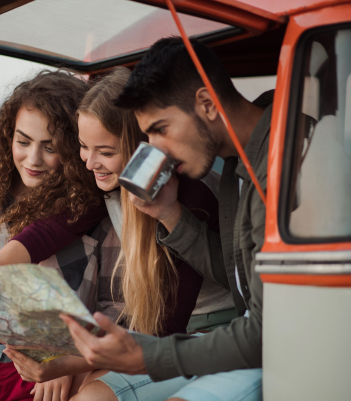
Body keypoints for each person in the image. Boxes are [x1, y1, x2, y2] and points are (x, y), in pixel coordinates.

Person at [61, 37, 271, 401]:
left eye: (160, 130)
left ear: (206, 103)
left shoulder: (278, 163)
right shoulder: (237, 168)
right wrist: (169, 213)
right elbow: (236, 278)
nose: (156, 150)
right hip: (241, 339)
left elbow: (265, 332)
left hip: (274, 347)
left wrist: (145, 356)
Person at [6, 66, 233, 399]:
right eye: (84, 146)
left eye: (105, 152)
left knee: (90, 394)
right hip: (152, 333)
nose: (89, 162)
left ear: (143, 147)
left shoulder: (189, 197)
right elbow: (53, 228)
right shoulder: (108, 181)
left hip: (204, 333)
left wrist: (64, 364)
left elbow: (168, 326)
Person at [0, 70, 122, 401]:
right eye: (23, 141)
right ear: (7, 136)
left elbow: (114, 309)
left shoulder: (95, 213)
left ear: (75, 148)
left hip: (44, 383)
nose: (33, 159)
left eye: (50, 146)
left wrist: (68, 362)